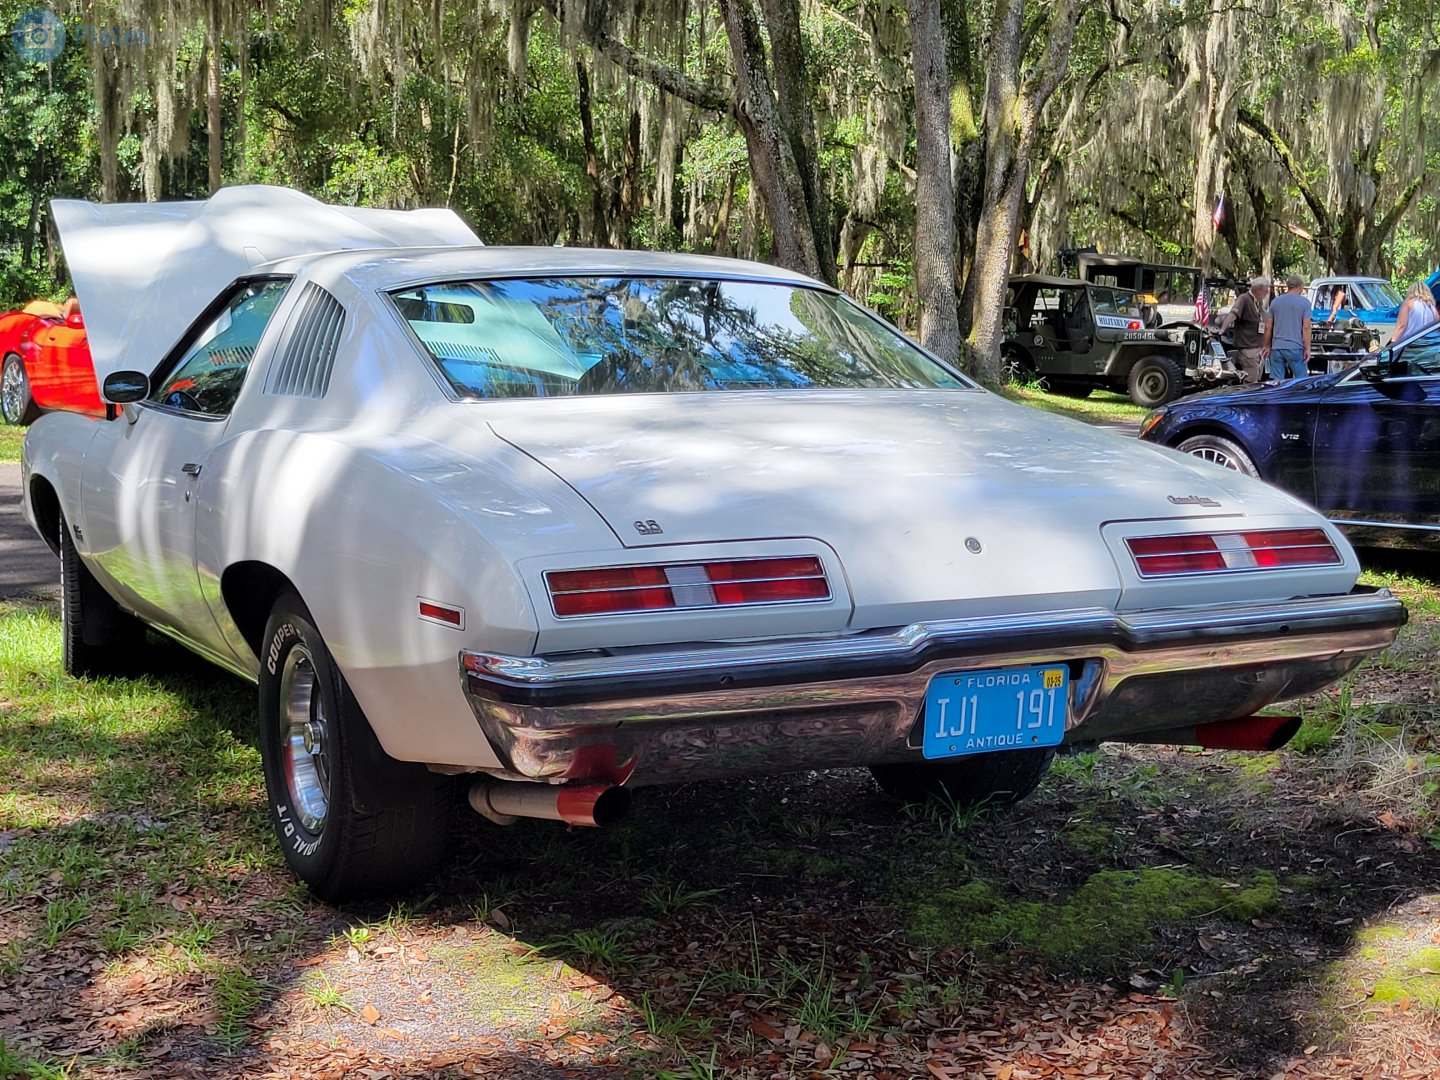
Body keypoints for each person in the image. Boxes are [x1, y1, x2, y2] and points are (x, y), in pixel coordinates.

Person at [1220, 275, 1269, 383]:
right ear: (1258, 289)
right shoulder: (1244, 299)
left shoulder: (1257, 301)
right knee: (1251, 380)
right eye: (1265, 291)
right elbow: (1233, 314)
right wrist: (1222, 329)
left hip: (1257, 348)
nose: (1266, 294)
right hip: (1248, 349)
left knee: (1255, 378)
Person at [1263, 274, 1311, 380]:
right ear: (1300, 287)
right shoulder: (1305, 303)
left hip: (1277, 347)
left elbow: (1268, 327)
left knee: (1277, 381)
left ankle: (1277, 396)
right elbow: (1306, 327)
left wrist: (1267, 346)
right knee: (1301, 380)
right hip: (1295, 347)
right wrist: (1307, 348)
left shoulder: (1275, 302)